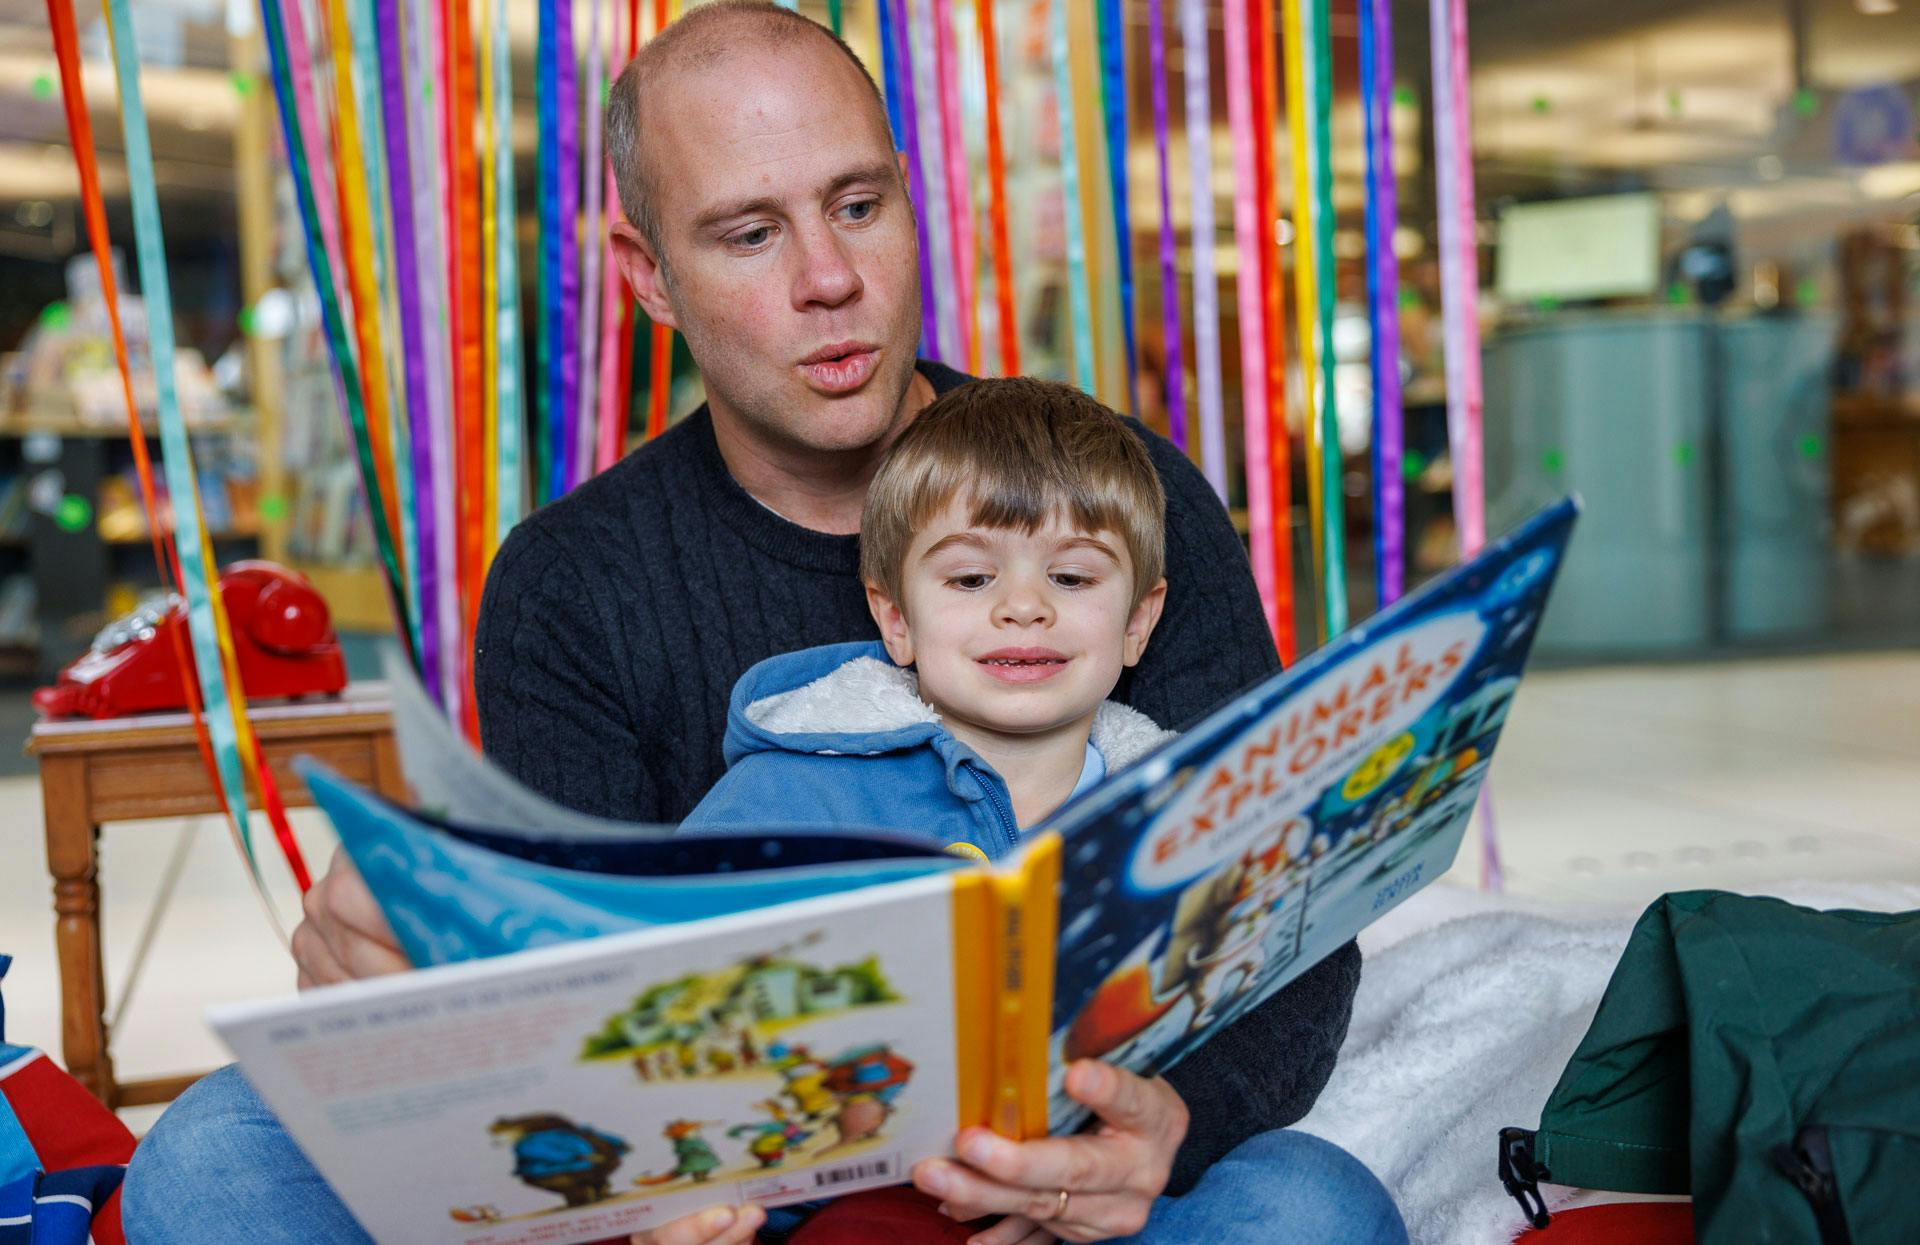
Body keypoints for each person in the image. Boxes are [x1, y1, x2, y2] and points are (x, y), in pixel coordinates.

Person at [120, 5, 1376, 1244]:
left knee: (1313, 1208)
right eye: (749, 233)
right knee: (215, 1157)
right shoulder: (572, 581)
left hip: (1054, 1166)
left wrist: (1167, 1126)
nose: (829, 280)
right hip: (760, 1200)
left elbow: (1299, 913)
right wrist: (435, 997)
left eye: (858, 206)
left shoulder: (1114, 495)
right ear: (648, 277)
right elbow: (584, 1013)